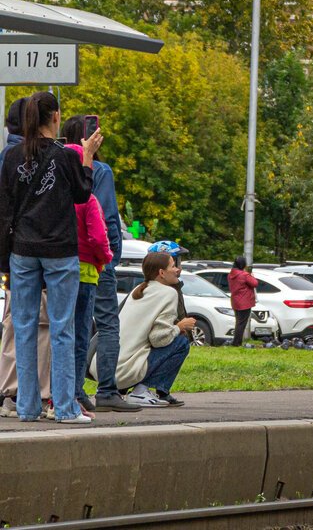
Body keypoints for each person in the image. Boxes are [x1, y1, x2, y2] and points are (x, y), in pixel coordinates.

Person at [0, 91, 102, 423]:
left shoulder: (12, 156)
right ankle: (65, 407)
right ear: (55, 117)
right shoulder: (65, 156)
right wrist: (87, 158)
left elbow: (5, 210)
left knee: (25, 327)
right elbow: (82, 194)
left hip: (23, 251)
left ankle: (27, 407)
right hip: (59, 251)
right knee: (62, 328)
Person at [60, 115, 136, 412]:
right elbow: (104, 217)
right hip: (93, 260)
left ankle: (69, 389)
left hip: (60, 258)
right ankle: (105, 389)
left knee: (66, 327)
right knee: (105, 325)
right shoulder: (100, 170)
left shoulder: (56, 165)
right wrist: (111, 258)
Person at [0, 99, 51, 416]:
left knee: (12, 323)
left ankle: (8, 390)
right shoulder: (31, 156)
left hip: (13, 253)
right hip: (34, 251)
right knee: (41, 325)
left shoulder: (7, 153)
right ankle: (32, 393)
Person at [62, 130, 110, 417]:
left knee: (61, 332)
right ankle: (78, 390)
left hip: (61, 269)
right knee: (81, 335)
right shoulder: (88, 199)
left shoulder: (59, 198)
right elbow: (98, 237)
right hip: (87, 272)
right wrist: (104, 259)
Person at [115, 251, 193, 408]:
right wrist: (179, 327)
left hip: (111, 369)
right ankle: (141, 391)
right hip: (128, 370)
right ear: (161, 273)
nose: (177, 269)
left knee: (176, 339)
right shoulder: (169, 293)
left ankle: (135, 390)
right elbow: (158, 339)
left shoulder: (140, 289)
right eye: (173, 266)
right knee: (181, 343)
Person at [227, 256, 258, 347]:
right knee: (242, 323)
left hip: (235, 301)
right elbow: (255, 283)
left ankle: (236, 341)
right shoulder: (244, 275)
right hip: (244, 302)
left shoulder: (231, 274)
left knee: (239, 322)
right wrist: (251, 275)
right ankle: (237, 343)